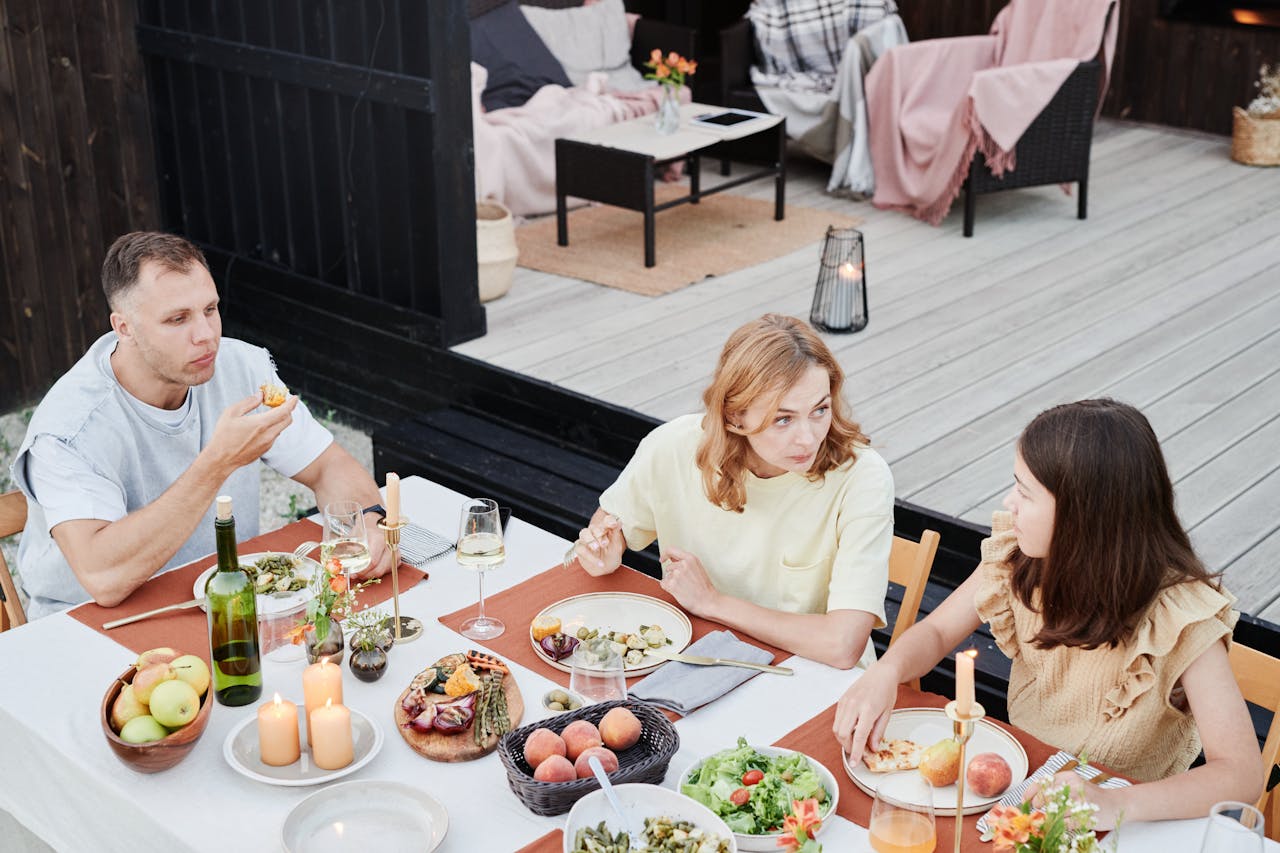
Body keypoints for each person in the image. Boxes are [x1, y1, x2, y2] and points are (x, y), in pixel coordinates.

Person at [832, 399, 1263, 827]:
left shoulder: (1181, 617)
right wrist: (886, 671)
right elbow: (938, 632)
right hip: (1019, 792)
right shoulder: (1018, 557)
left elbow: (1240, 775)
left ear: (1084, 518)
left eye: (1025, 492)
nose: (1008, 502)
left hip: (1129, 824)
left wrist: (1114, 804)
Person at [9, 231, 392, 618]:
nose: (207, 336)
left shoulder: (240, 367)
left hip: (226, 602)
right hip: (90, 626)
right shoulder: (68, 431)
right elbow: (103, 578)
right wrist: (217, 462)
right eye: (178, 319)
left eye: (210, 309)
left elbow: (327, 465)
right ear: (123, 328)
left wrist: (368, 524)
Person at [566, 314, 894, 670]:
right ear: (735, 416)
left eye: (820, 410)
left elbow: (842, 645)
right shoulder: (674, 445)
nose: (808, 437)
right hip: (698, 660)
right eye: (783, 419)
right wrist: (603, 552)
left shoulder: (863, 477)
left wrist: (712, 602)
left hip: (816, 680)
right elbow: (607, 529)